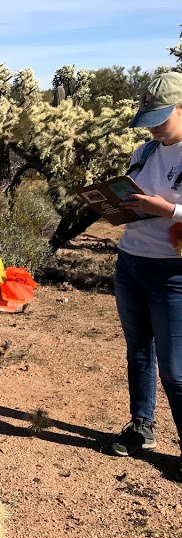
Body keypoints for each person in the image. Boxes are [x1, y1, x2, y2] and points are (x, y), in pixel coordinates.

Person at [108, 71, 182, 482]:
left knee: (175, 368)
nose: (153, 126)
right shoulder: (144, 151)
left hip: (173, 272)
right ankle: (142, 426)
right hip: (131, 261)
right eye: (148, 118)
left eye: (161, 117)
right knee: (139, 350)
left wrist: (167, 210)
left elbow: (166, 208)